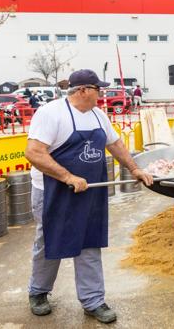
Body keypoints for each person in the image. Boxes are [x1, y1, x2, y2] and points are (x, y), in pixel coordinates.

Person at [25, 69, 154, 323]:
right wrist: (67, 177)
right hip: (52, 191)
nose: (102, 94)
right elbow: (34, 152)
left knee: (89, 243)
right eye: (98, 89)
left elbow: (115, 144)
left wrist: (135, 168)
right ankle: (38, 292)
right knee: (50, 242)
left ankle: (93, 300)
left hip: (88, 192)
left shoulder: (98, 116)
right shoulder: (51, 114)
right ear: (83, 90)